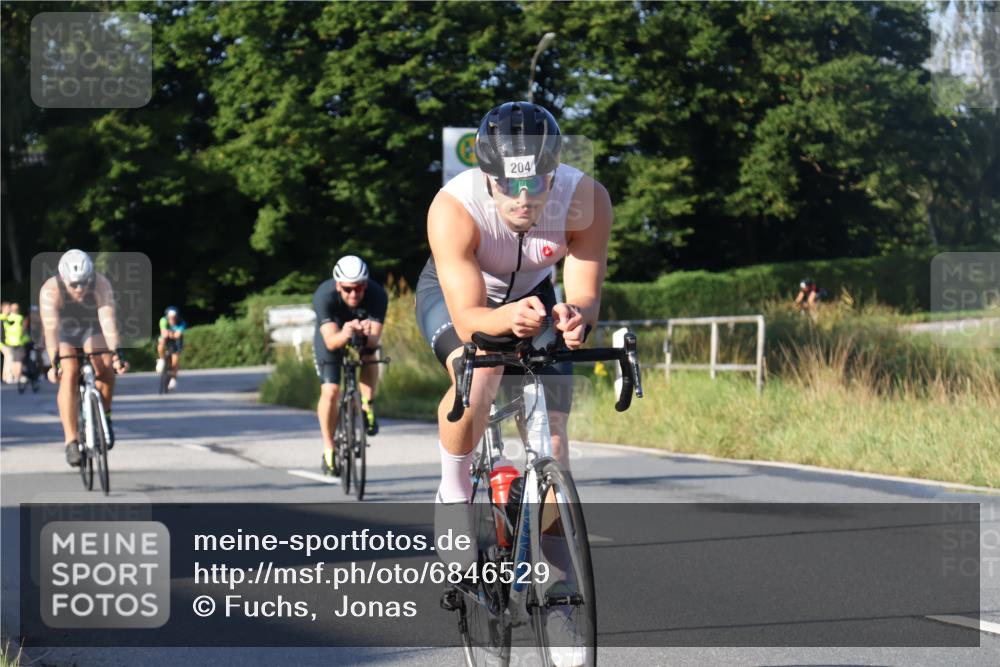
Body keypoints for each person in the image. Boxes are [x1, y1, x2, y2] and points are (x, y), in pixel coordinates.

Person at [38, 249, 129, 466]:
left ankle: (104, 415)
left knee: (104, 364)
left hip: (92, 325)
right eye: (74, 284)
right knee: (69, 372)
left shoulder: (101, 284)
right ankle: (71, 440)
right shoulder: (50, 290)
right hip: (63, 330)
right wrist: (53, 363)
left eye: (84, 282)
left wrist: (117, 353)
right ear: (63, 279)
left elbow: (108, 321)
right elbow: (50, 331)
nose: (80, 288)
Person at [312, 255, 388, 475]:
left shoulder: (377, 294)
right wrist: (346, 332)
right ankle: (329, 449)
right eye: (347, 289)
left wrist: (364, 334)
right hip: (333, 337)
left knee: (370, 354)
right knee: (331, 390)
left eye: (359, 288)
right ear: (338, 285)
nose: (354, 294)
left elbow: (374, 341)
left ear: (366, 284)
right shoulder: (323, 296)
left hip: (361, 335)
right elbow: (330, 342)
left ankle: (367, 405)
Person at [156, 306, 187, 391]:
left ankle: (173, 379)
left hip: (177, 341)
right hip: (166, 338)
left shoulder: (182, 322)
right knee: (161, 341)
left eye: (174, 318)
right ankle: (161, 359)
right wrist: (170, 334)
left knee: (175, 360)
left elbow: (178, 335)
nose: (172, 320)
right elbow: (164, 333)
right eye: (170, 318)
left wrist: (171, 334)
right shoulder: (163, 320)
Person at [1, 302, 29, 384]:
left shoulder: (9, 317)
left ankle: (11, 376)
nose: (9, 310)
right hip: (5, 342)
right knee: (10, 357)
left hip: (8, 342)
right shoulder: (5, 317)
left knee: (12, 358)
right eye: (8, 308)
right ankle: (7, 376)